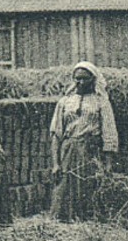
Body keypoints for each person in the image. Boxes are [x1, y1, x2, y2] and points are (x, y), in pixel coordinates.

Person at [49, 61, 120, 222]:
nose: (81, 82)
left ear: (93, 80)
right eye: (77, 79)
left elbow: (109, 134)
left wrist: (108, 163)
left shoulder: (101, 102)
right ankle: (65, 223)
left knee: (90, 186)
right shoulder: (64, 102)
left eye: (85, 79)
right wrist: (55, 163)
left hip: (91, 150)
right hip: (68, 150)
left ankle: (89, 222)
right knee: (65, 187)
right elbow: (56, 133)